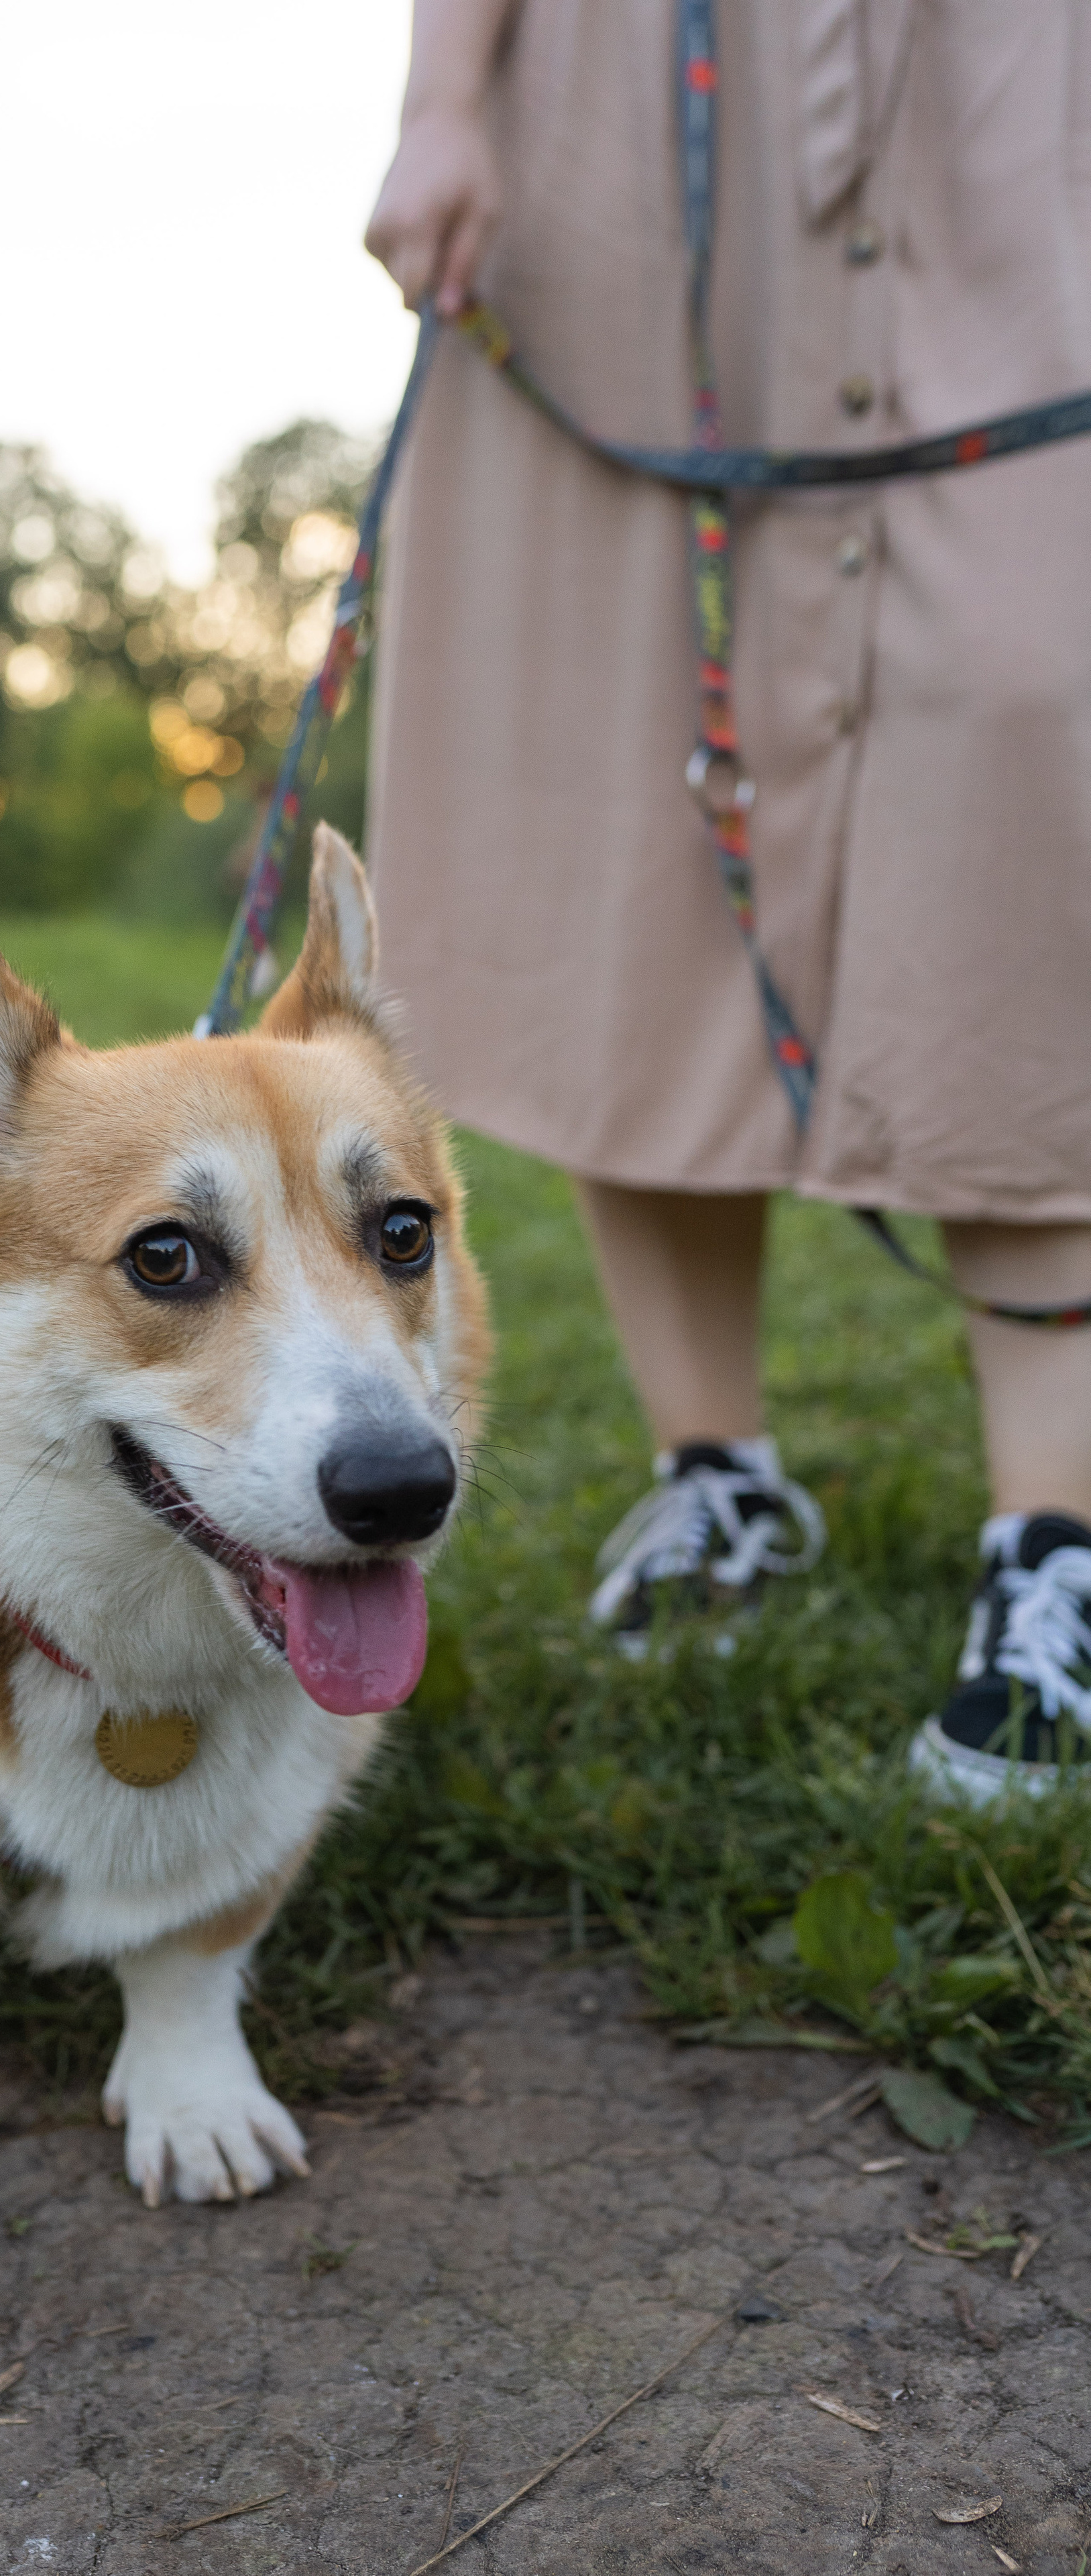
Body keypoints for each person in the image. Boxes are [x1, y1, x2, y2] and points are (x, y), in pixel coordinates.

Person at [362, 0, 1091, 1802]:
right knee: (625, 814)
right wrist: (443, 99)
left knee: (1030, 782)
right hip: (628, 121)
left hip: (1018, 84)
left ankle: (1058, 1543)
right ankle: (718, 1475)